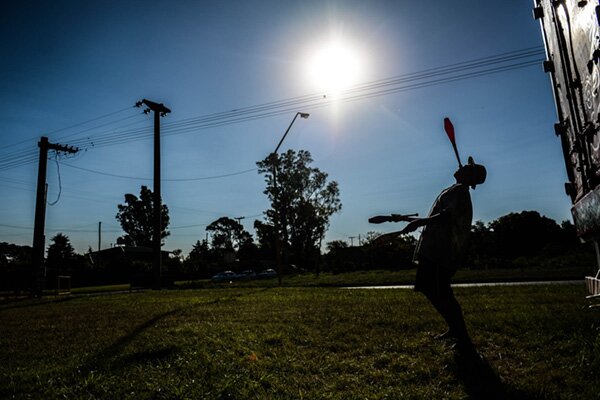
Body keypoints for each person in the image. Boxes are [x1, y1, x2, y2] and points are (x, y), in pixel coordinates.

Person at [370, 156, 486, 354]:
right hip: (435, 249)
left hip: (442, 251)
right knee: (431, 289)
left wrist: (420, 222)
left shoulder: (460, 192)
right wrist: (408, 219)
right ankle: (455, 329)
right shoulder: (455, 190)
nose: (461, 166)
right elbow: (442, 214)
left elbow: (447, 216)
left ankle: (462, 337)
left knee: (442, 293)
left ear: (470, 177)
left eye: (467, 167)